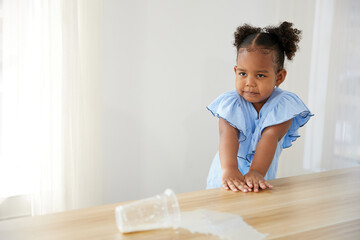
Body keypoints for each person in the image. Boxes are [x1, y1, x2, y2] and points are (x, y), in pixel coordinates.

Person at [206, 21, 313, 192]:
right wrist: (230, 169)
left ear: (279, 77)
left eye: (260, 75)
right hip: (226, 178)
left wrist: (256, 171)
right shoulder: (231, 103)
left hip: (258, 178)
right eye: (242, 73)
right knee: (221, 216)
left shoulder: (283, 106)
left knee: (255, 216)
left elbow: (269, 137)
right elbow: (228, 134)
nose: (249, 83)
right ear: (235, 71)